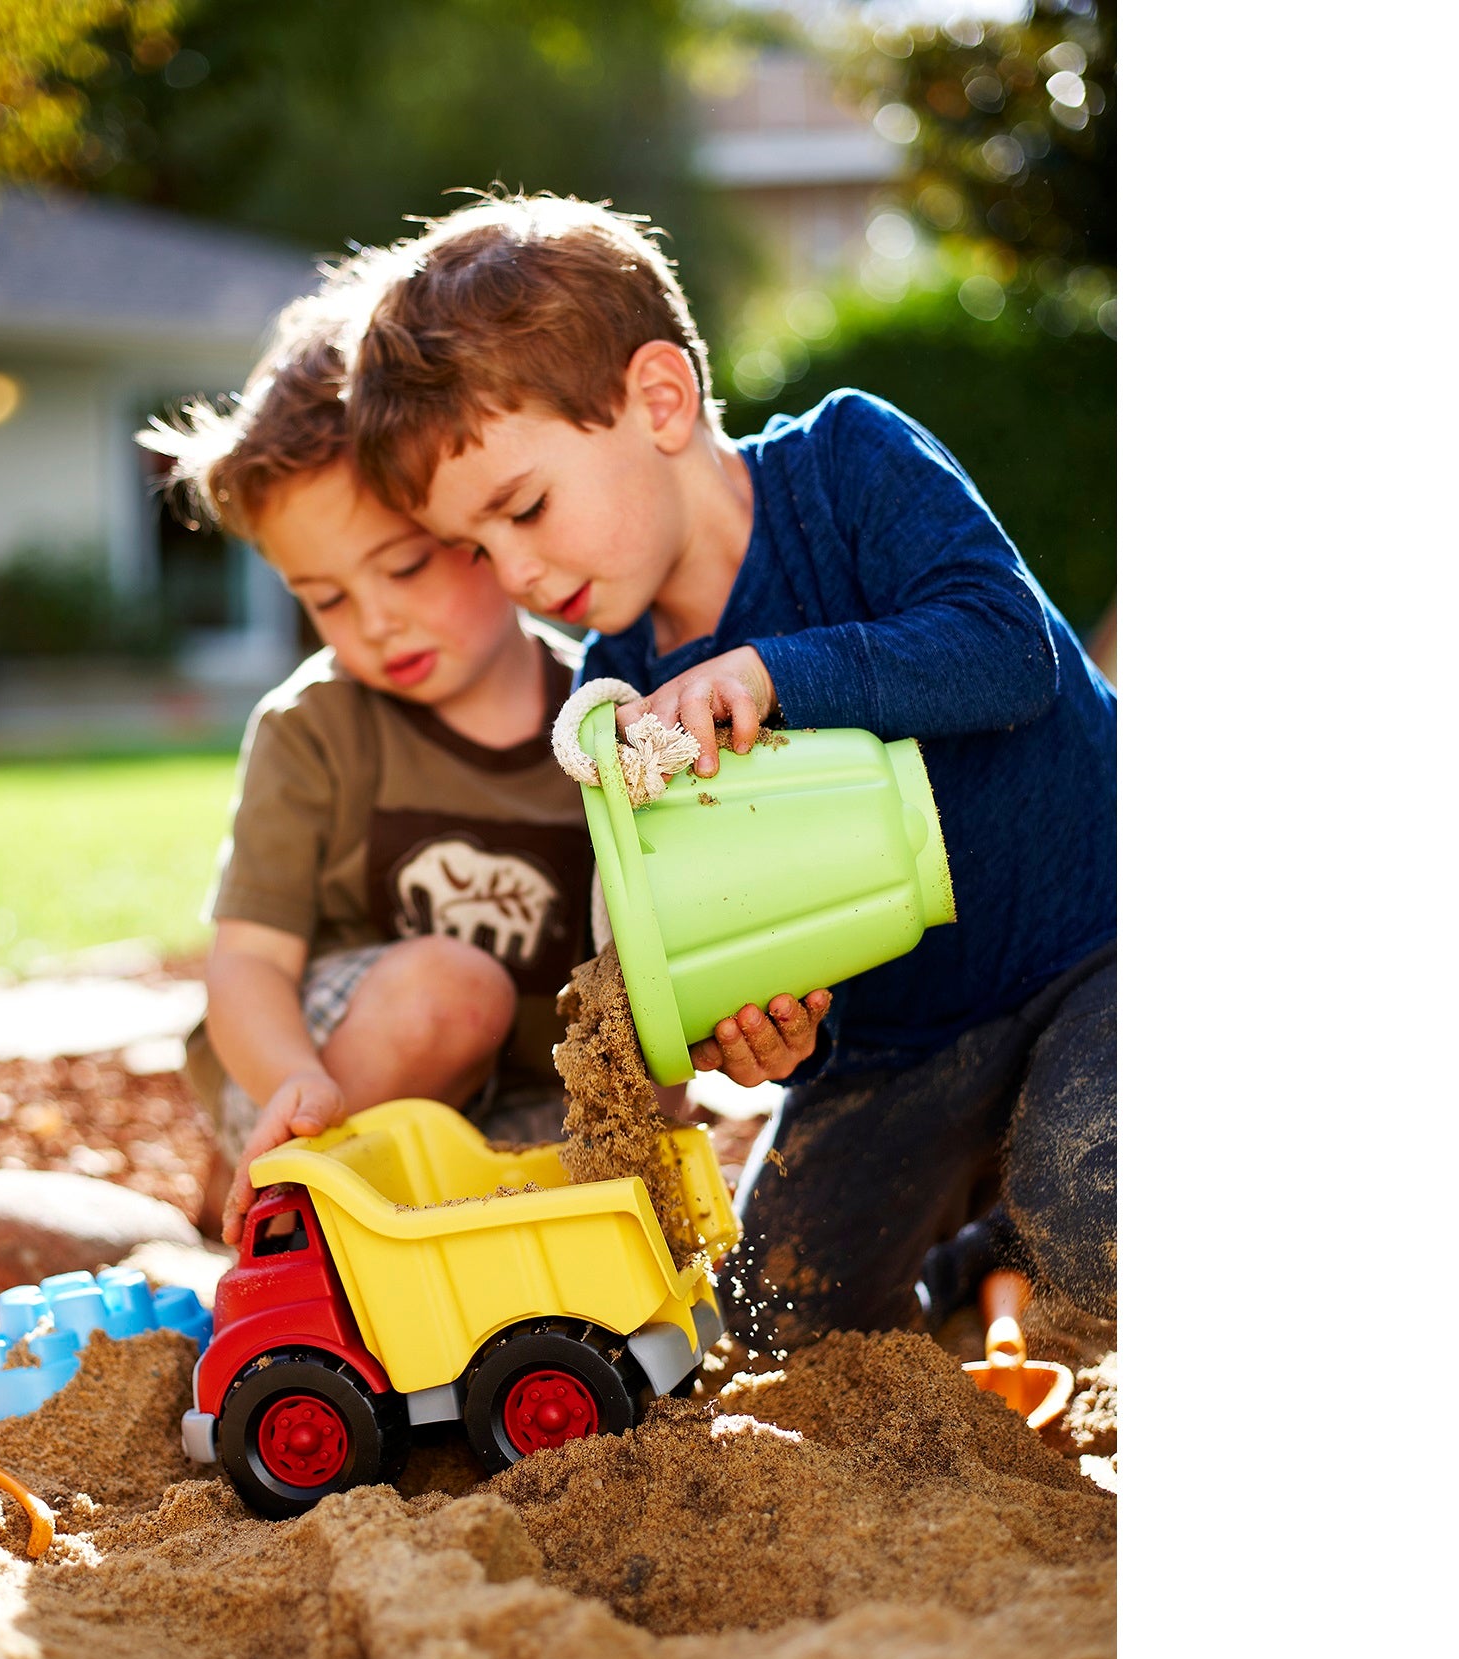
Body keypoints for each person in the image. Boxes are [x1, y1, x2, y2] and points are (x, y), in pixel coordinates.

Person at [345, 193, 1116, 1346]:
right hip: (898, 1043)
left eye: (526, 508)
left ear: (658, 400)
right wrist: (767, 1029)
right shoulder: (616, 692)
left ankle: (1021, 1227)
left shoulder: (846, 464)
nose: (513, 572)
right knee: (763, 1317)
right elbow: (712, 913)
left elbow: (1008, 652)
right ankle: (973, 1255)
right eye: (476, 546)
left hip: (1100, 936)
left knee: (1097, 1210)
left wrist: (771, 672)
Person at [140, 279, 594, 1248]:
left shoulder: (601, 719)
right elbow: (247, 961)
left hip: (510, 1093)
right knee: (452, 992)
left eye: (403, 566)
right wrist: (292, 1081)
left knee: (610, 1155)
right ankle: (280, 1189)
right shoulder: (313, 727)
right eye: (327, 598)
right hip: (319, 1068)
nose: (376, 621)